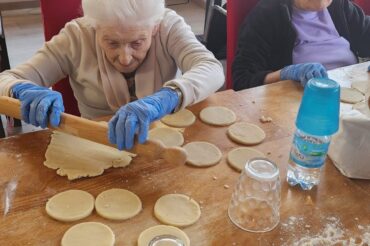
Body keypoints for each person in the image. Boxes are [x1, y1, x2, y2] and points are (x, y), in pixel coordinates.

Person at [0, 0, 224, 150]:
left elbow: (212, 69)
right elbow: (5, 80)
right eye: (111, 42)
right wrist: (21, 89)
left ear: (155, 28)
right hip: (94, 145)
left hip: (158, 141)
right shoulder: (76, 36)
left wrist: (170, 96)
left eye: (137, 42)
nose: (125, 58)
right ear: (94, 27)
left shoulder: (168, 26)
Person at [232, 0, 370, 90]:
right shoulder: (267, 14)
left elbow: (366, 34)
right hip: (296, 103)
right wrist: (284, 74)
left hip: (349, 91)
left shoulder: (341, 6)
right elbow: (242, 79)